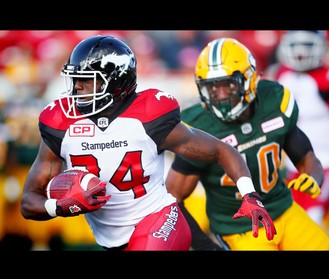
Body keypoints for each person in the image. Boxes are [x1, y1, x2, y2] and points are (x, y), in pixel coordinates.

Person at [20, 35, 276, 251]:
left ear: (117, 81)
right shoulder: (60, 123)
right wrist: (60, 207)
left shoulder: (148, 116)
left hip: (159, 217)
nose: (78, 88)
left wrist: (249, 196)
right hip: (111, 239)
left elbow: (221, 149)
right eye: (77, 80)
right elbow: (29, 202)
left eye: (88, 80)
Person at [165, 37, 329, 250]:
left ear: (250, 79)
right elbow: (173, 198)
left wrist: (313, 177)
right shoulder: (200, 127)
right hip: (241, 229)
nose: (220, 96)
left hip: (285, 210)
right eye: (212, 88)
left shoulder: (274, 100)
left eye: (228, 85)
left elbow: (306, 157)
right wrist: (202, 245)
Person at [264, 30, 329, 249]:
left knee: (315, 218)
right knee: (291, 220)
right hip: (293, 165)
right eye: (296, 46)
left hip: (326, 163)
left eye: (307, 46)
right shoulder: (281, 75)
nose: (300, 53)